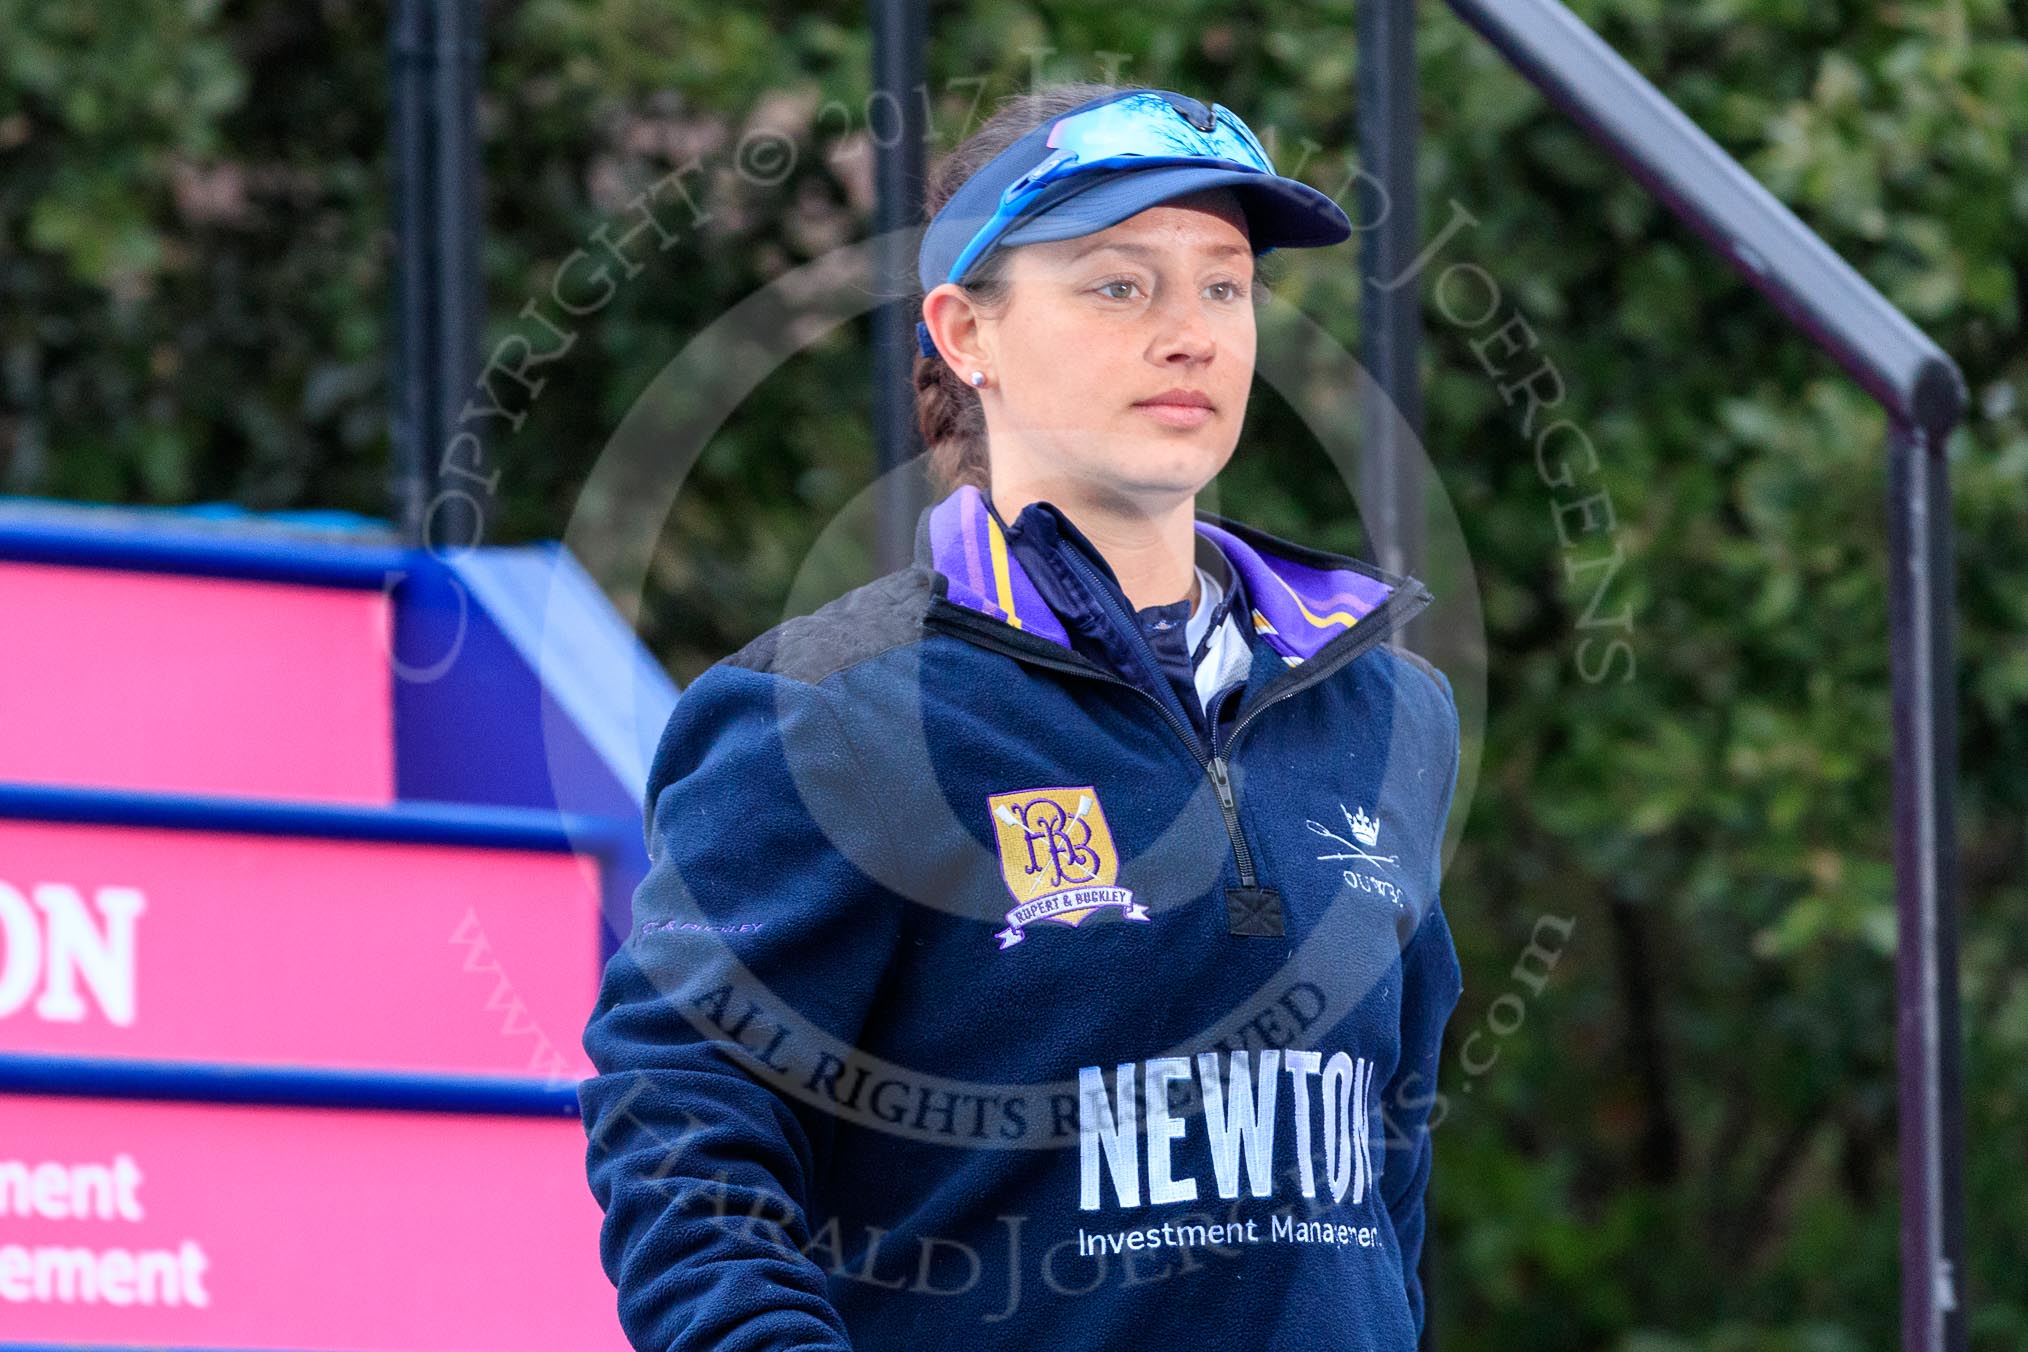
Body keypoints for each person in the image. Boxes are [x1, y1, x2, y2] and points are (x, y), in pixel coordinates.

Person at [580, 82, 1465, 1351]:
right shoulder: (825, 714)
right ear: (965, 332)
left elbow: (1387, 1157)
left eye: (1223, 285)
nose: (1191, 335)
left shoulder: (1392, 711)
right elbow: (683, 1134)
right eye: (1118, 285)